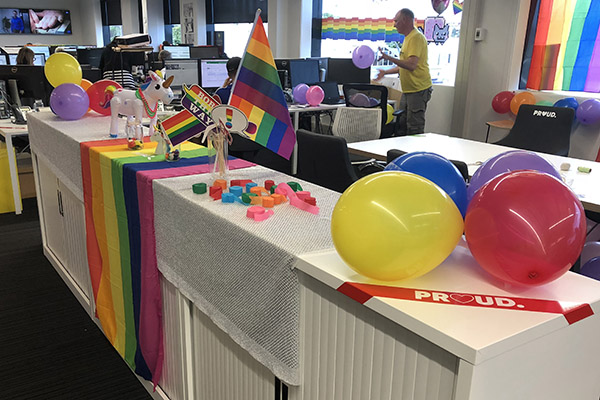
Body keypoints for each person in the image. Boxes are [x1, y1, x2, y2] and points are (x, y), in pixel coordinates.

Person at [376, 8, 432, 136]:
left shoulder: (416, 37)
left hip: (418, 90)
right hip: (409, 90)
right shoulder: (408, 38)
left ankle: (415, 155)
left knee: (414, 127)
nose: (394, 24)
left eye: (396, 21)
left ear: (406, 20)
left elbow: (412, 65)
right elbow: (404, 65)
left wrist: (389, 58)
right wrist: (385, 72)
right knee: (401, 124)